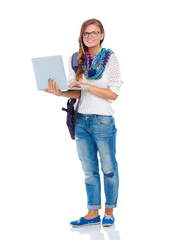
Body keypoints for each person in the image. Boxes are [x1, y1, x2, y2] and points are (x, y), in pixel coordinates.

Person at [43, 18, 123, 227]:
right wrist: (58, 91)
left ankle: (109, 212)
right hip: (81, 121)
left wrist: (84, 84)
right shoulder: (76, 59)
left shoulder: (111, 58)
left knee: (109, 168)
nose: (90, 37)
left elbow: (113, 94)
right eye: (86, 34)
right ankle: (92, 213)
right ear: (82, 36)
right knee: (89, 170)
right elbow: (77, 93)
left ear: (102, 35)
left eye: (94, 33)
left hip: (103, 120)